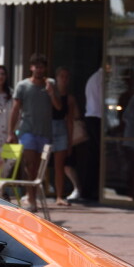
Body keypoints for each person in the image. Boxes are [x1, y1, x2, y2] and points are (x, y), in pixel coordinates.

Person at [7, 53, 61, 209]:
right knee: (29, 165)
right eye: (36, 67)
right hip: (27, 130)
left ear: (45, 68)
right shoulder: (23, 85)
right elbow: (15, 109)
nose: (39, 70)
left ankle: (33, 196)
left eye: (41, 67)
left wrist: (51, 93)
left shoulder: (50, 83)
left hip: (45, 132)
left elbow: (58, 107)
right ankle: (31, 199)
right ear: (31, 68)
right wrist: (11, 132)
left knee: (38, 168)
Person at [52, 66, 80, 206]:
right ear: (56, 78)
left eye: (66, 77)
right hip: (47, 128)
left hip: (61, 128)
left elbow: (70, 120)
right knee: (39, 163)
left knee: (60, 165)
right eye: (61, 76)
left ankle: (59, 195)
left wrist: (69, 141)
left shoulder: (69, 99)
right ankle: (34, 193)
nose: (63, 79)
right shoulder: (49, 93)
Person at [76, 65, 103, 204]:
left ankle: (89, 190)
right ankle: (90, 190)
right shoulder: (100, 79)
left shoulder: (94, 78)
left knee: (94, 156)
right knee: (96, 156)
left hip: (93, 116)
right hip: (96, 118)